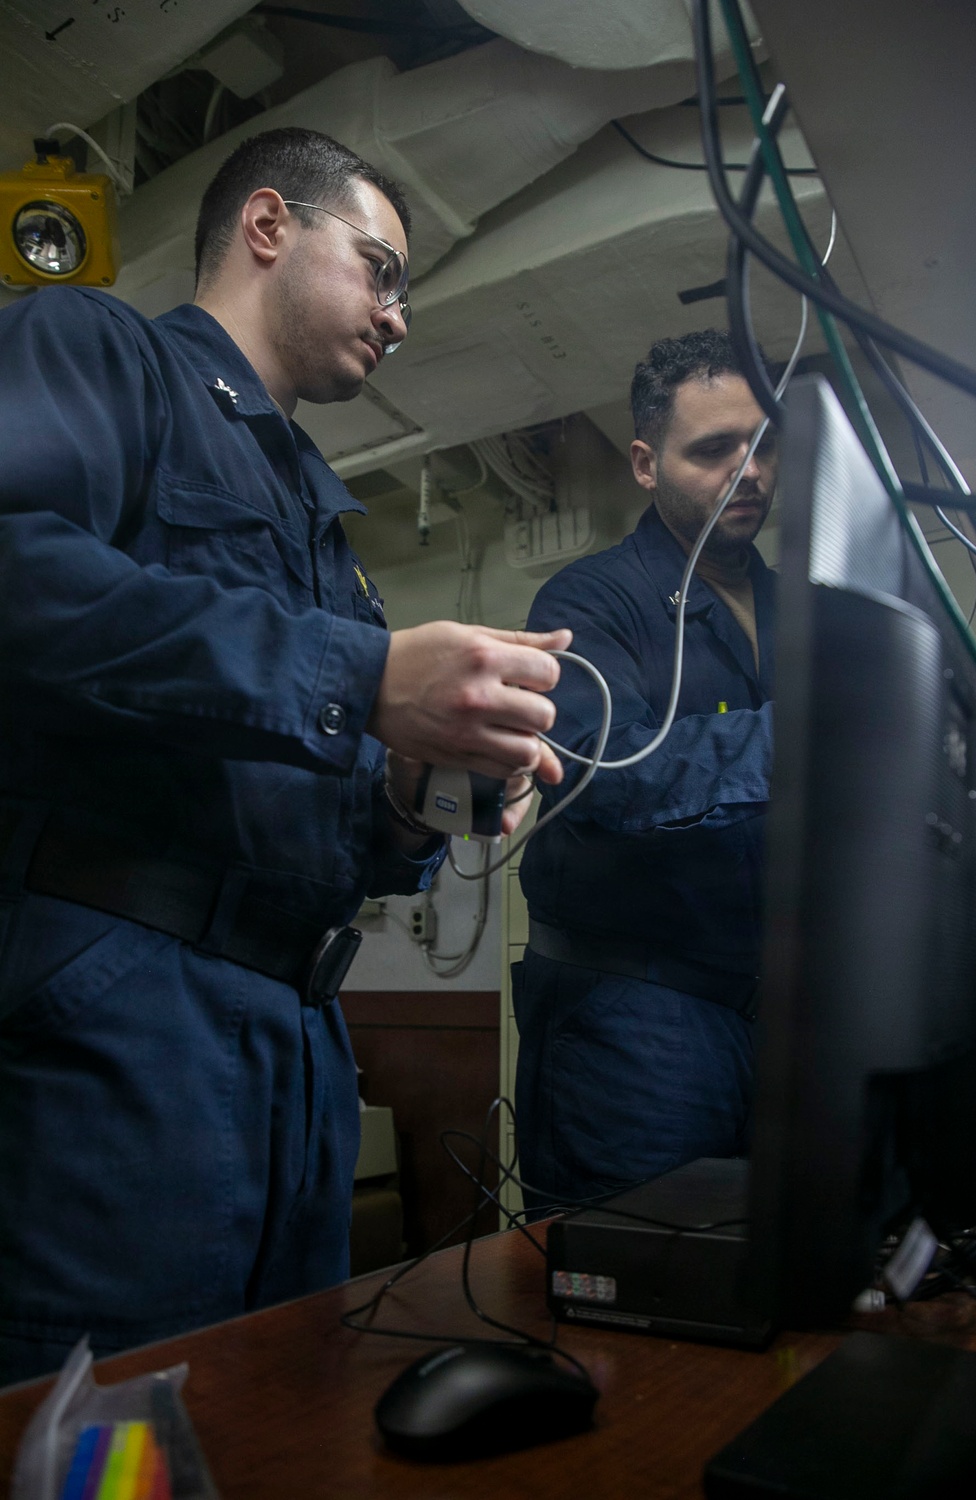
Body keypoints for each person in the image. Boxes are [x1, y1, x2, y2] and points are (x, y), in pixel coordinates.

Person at [0, 126, 570, 1385]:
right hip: (125, 1014)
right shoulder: (99, 352)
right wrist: (361, 674)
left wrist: (420, 802)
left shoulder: (325, 525)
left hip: (297, 1028)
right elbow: (19, 577)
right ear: (269, 227)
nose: (399, 316)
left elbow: (338, 831)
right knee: (110, 1431)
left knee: (278, 1412)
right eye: (380, 269)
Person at [514, 329, 778, 1207]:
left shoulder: (799, 609)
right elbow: (611, 770)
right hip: (635, 1021)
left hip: (773, 1009)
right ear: (644, 461)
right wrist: (814, 737)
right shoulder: (591, 602)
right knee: (630, 1282)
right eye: (713, 451)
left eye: (763, 443)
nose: (749, 471)